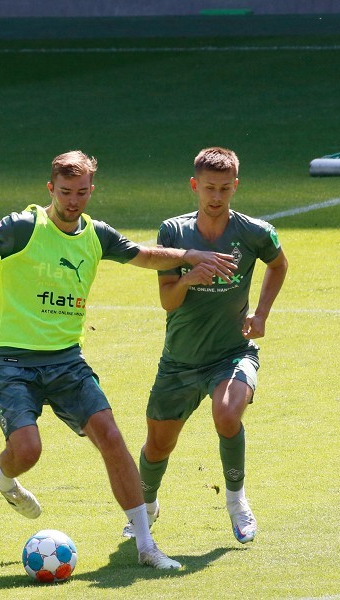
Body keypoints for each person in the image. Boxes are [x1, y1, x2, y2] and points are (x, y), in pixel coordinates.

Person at [0, 151, 238, 569]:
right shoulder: (23, 228)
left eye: (82, 192)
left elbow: (142, 255)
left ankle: (145, 545)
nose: (74, 201)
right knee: (27, 451)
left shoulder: (97, 235)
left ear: (91, 191)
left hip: (66, 360)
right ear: (51, 189)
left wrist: (188, 256)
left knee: (112, 437)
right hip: (12, 360)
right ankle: (3, 474)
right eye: (65, 192)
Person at [127, 146, 288, 545]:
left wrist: (262, 313)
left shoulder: (254, 232)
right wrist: (187, 278)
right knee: (158, 445)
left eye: (225, 189)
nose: (216, 198)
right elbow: (168, 301)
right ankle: (145, 508)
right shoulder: (174, 233)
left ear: (236, 186)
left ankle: (236, 502)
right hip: (180, 361)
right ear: (194, 186)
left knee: (227, 414)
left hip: (232, 352)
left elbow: (279, 263)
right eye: (209, 189)